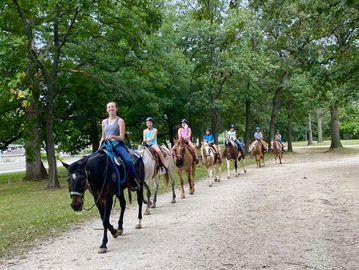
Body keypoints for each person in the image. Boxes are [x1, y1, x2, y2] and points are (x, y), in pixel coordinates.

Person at [99, 101, 140, 191]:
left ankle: (134, 179)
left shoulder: (120, 121)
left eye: (112, 107)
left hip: (117, 145)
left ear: (116, 109)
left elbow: (122, 137)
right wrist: (99, 147)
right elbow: (103, 136)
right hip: (106, 145)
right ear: (107, 110)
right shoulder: (104, 122)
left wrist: (113, 137)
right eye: (109, 107)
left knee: (128, 161)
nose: (111, 108)